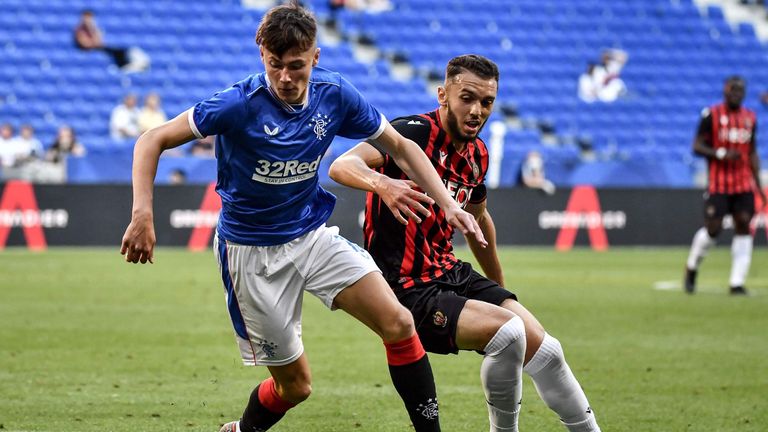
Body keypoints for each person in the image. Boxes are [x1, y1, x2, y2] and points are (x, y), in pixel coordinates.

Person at [120, 3, 488, 432]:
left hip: (311, 237)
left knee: (400, 322)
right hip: (252, 255)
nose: (285, 78)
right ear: (262, 55)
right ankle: (244, 429)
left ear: (316, 56)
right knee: (296, 387)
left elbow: (402, 147)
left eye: (296, 66)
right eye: (275, 65)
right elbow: (152, 139)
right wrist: (142, 213)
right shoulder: (239, 103)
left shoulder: (336, 95)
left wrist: (448, 203)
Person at [330, 54, 601, 432]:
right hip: (405, 286)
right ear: (444, 94)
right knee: (508, 334)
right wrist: (384, 184)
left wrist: (501, 288)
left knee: (548, 351)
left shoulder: (477, 155)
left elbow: (479, 221)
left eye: (487, 102)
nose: (477, 111)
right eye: (467, 98)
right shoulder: (413, 132)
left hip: (449, 271)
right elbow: (342, 164)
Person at [684, 75, 765, 295]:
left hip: (743, 184)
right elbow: (696, 146)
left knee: (744, 226)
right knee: (714, 229)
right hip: (719, 184)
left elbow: (753, 153)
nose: (737, 94)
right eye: (734, 90)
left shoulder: (750, 118)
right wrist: (719, 153)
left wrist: (759, 185)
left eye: (741, 91)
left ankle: (736, 283)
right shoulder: (711, 115)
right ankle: (692, 267)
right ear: (725, 91)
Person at [74, 9, 150, 72]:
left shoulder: (95, 28)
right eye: (86, 18)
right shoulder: (79, 30)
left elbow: (99, 41)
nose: (88, 20)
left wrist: (92, 29)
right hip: (91, 52)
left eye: (90, 18)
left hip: (101, 49)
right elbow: (85, 44)